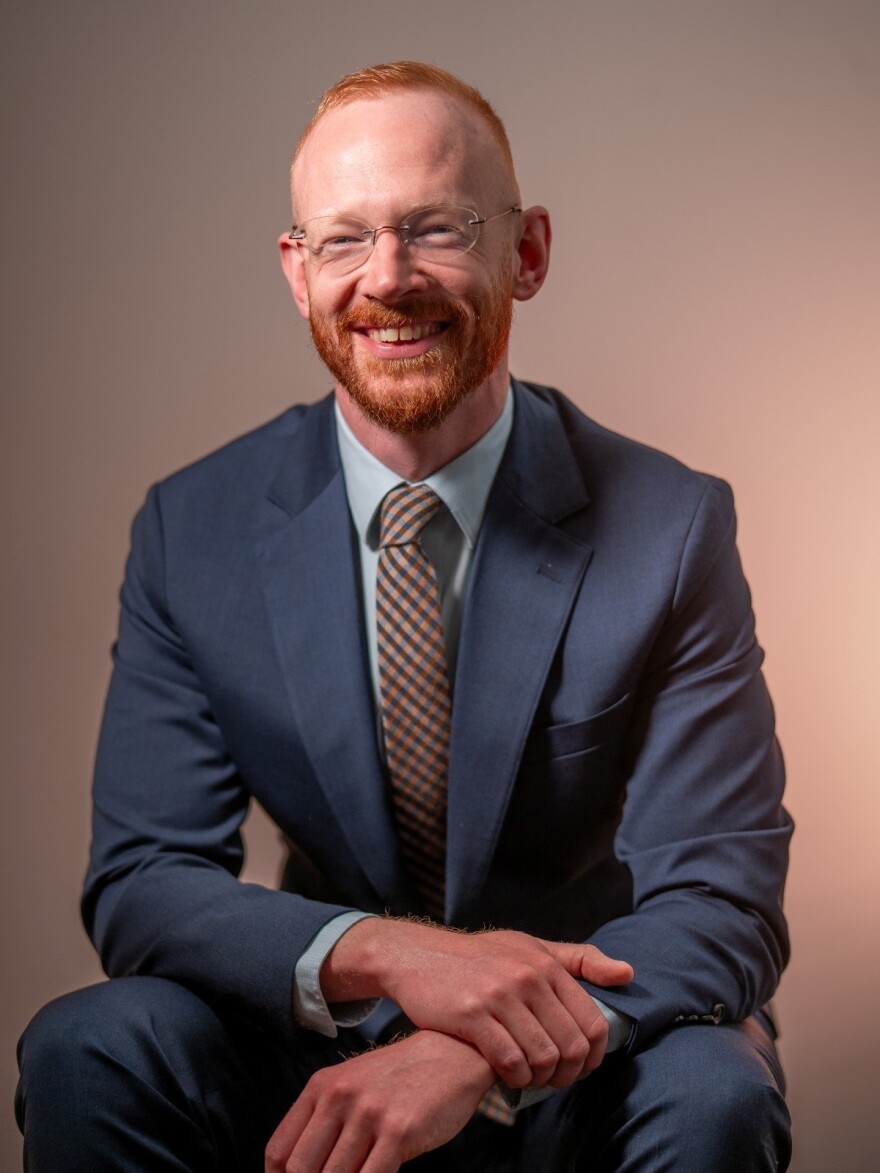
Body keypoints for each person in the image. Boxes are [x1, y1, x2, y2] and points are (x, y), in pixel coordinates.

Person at [16, 61, 793, 1172]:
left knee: (713, 1086)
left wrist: (479, 1041)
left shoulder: (669, 526)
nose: (387, 278)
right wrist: (392, 961)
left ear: (523, 254)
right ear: (296, 271)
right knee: (89, 1043)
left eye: (434, 228)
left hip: (584, 1055)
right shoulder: (194, 529)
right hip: (315, 1046)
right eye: (343, 239)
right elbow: (144, 880)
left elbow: (720, 893)